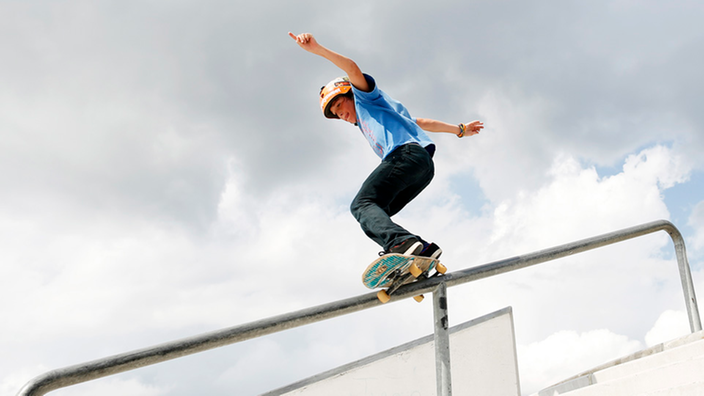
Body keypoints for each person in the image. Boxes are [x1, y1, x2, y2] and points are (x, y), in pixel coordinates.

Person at [289, 32, 484, 261]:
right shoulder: (378, 116)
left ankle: (402, 243)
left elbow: (352, 68)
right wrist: (459, 130)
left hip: (405, 156)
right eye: (336, 114)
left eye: (340, 105)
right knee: (376, 213)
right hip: (422, 167)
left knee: (361, 205)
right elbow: (421, 123)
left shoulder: (365, 98)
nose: (341, 114)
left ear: (350, 94)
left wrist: (317, 49)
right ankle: (422, 251)